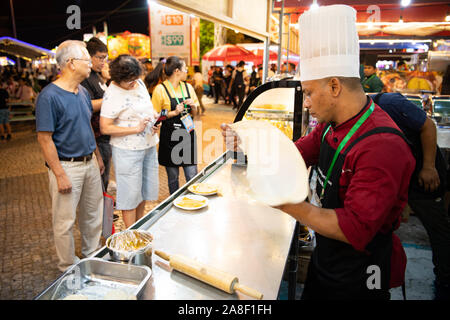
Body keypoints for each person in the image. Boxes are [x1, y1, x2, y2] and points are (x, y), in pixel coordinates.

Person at [222, 5, 415, 300]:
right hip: (326, 257)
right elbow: (294, 153)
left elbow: (354, 227)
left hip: (361, 276)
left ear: (335, 86)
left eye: (309, 92)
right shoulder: (330, 125)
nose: (307, 103)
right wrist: (249, 142)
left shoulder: (381, 146)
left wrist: (285, 204)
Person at [371, 92, 450, 300]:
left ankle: (445, 278)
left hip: (422, 175)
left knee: (438, 228)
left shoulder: (390, 103)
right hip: (397, 177)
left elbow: (428, 126)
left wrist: (429, 166)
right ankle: (378, 284)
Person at [35, 40, 104, 272]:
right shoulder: (48, 97)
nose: (91, 65)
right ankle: (67, 267)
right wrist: (59, 173)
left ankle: (91, 256)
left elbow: (86, 126)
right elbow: (45, 139)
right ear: (71, 64)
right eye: (87, 60)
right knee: (64, 222)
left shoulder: (82, 92)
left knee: (93, 215)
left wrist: (97, 156)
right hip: (67, 167)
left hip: (90, 162)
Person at [100, 55, 160, 229]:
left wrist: (155, 119)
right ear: (118, 79)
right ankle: (131, 234)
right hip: (127, 150)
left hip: (148, 145)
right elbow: (105, 127)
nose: (134, 83)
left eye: (136, 79)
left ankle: (139, 228)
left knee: (143, 191)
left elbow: (148, 109)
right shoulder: (112, 94)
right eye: (130, 81)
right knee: (129, 195)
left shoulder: (139, 83)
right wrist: (135, 129)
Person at [151, 56, 199, 194]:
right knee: (173, 178)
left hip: (188, 137)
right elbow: (155, 116)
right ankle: (174, 205)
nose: (187, 72)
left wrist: (194, 106)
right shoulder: (160, 90)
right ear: (177, 71)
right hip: (170, 139)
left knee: (192, 176)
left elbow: (195, 113)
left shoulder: (188, 87)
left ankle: (194, 202)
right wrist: (173, 112)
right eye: (185, 69)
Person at [80, 37, 112, 191]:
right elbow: (88, 105)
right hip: (98, 137)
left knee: (104, 178)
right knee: (100, 180)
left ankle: (105, 212)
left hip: (105, 136)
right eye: (100, 58)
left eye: (105, 58)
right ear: (89, 56)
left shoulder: (97, 76)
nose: (103, 62)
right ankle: (102, 213)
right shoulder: (86, 78)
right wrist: (111, 99)